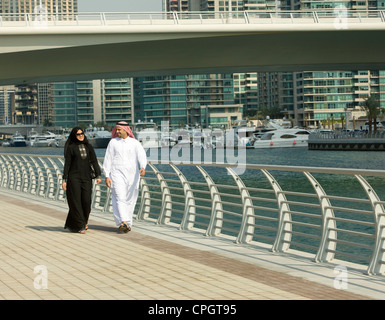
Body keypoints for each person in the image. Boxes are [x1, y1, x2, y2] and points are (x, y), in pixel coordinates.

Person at [103, 121, 147, 233]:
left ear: (126, 130)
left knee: (130, 199)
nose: (117, 132)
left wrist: (143, 167)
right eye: (116, 130)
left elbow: (141, 155)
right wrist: (107, 175)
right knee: (119, 197)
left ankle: (128, 223)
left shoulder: (135, 143)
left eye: (119, 130)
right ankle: (124, 222)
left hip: (132, 174)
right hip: (116, 173)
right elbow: (108, 159)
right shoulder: (113, 142)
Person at [62, 127, 102, 234]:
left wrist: (98, 175)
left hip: (86, 177)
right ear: (74, 136)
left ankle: (82, 221)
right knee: (76, 202)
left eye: (82, 133)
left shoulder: (88, 146)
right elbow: (68, 164)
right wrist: (64, 179)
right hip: (74, 178)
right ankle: (80, 225)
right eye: (78, 134)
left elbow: (94, 161)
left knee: (86, 201)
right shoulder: (71, 148)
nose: (81, 135)